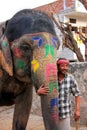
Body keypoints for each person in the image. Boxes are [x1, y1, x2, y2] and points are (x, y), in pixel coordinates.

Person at [37, 58, 80, 130]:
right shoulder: (50, 79)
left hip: (65, 114)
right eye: (62, 66)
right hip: (52, 115)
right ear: (57, 67)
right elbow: (40, 90)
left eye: (66, 66)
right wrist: (38, 92)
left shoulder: (71, 79)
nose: (65, 68)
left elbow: (77, 94)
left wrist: (77, 110)